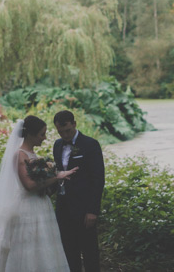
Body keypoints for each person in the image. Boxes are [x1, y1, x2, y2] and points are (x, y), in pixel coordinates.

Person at [0, 115, 78, 272]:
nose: (45, 137)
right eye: (42, 134)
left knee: (45, 246)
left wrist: (50, 177)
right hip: (28, 208)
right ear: (31, 134)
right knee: (29, 249)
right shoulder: (20, 155)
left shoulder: (33, 155)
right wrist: (56, 176)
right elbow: (29, 185)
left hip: (41, 205)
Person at [53, 110, 105, 272]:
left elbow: (98, 180)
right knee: (68, 249)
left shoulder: (91, 144)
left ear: (74, 124)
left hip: (84, 209)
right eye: (61, 132)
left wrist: (92, 211)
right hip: (63, 207)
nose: (65, 135)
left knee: (89, 250)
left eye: (67, 131)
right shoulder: (57, 145)